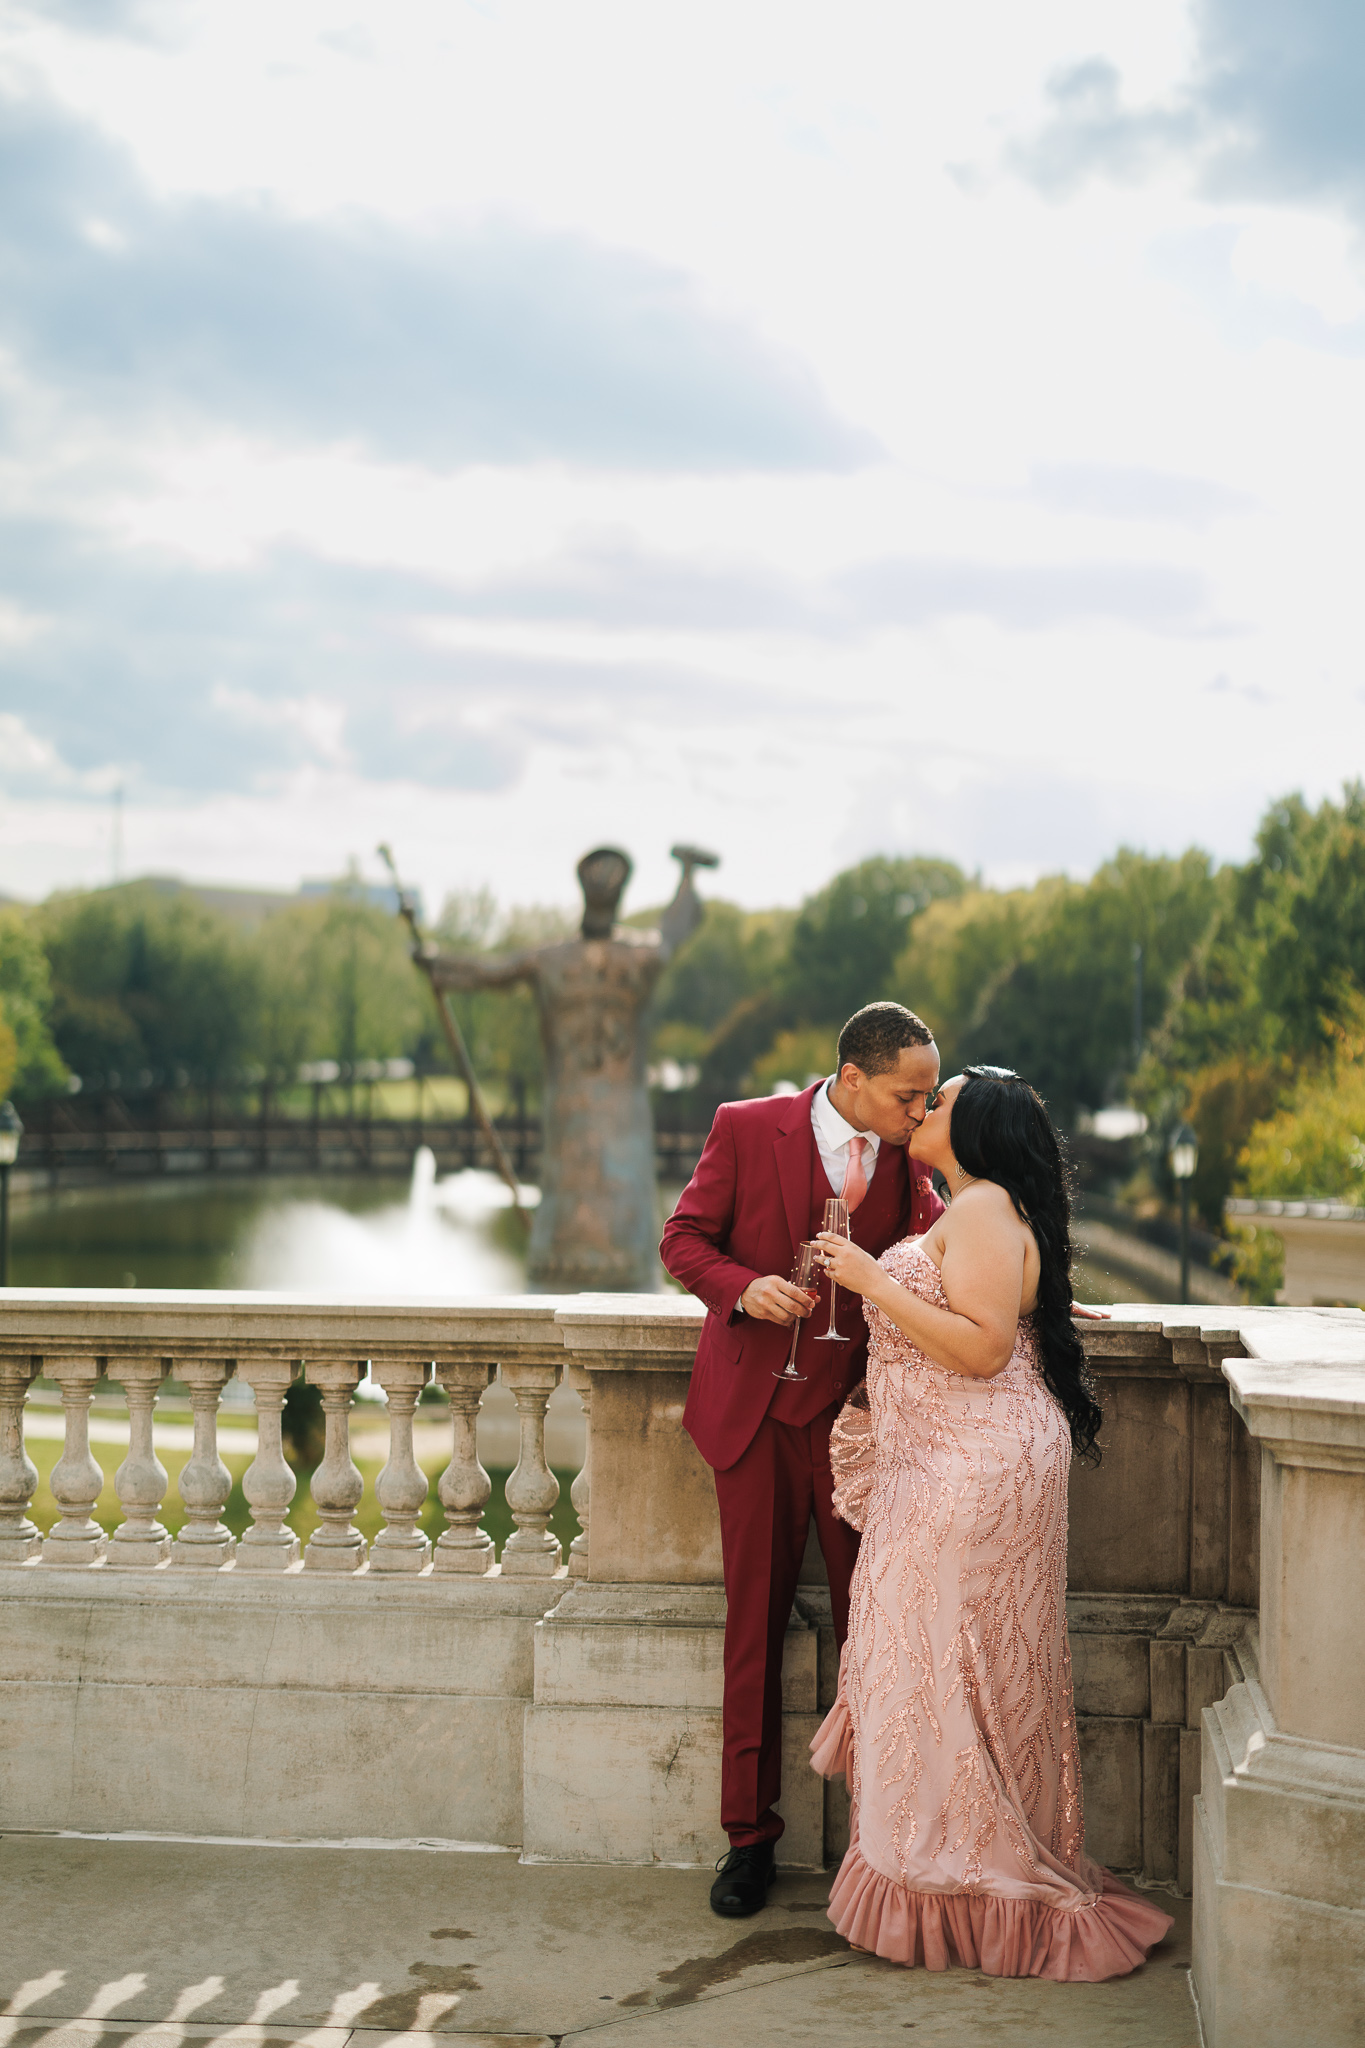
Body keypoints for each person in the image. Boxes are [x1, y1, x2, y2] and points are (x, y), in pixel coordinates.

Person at [809, 1067, 1174, 1979]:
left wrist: (862, 1276)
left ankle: (961, 1881)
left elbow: (980, 1349)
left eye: (940, 1102)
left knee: (928, 1666)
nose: (924, 1109)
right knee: (972, 1669)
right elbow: (999, 1317)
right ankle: (971, 1871)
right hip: (975, 1465)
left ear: (973, 1130)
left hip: (968, 1472)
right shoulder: (985, 1210)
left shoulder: (977, 1211)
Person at [660, 1002, 943, 1918]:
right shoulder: (743, 1128)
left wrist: (1038, 1294)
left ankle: (877, 1837)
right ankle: (746, 1839)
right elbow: (682, 1241)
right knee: (753, 1629)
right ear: (853, 1079)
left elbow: (947, 1248)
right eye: (910, 1092)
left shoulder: (907, 1155)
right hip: (750, 1416)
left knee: (875, 1634)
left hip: (853, 1423)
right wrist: (745, 1291)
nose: (921, 1108)